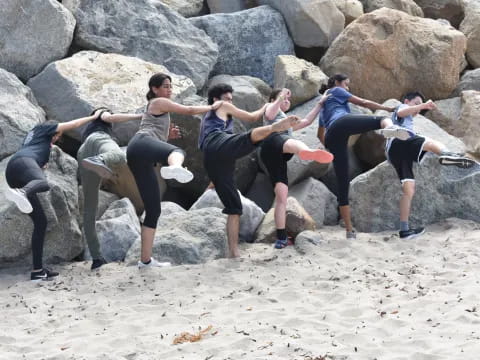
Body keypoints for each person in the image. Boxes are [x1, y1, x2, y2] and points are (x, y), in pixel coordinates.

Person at [127, 73, 223, 268]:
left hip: (139, 155)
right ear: (154, 89)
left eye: (171, 87)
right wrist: (212, 107)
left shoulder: (156, 108)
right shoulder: (158, 101)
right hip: (141, 144)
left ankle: (145, 261)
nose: (169, 90)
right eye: (165, 86)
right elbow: (188, 110)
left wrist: (166, 134)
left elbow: (152, 129)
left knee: (153, 210)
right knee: (177, 151)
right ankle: (176, 167)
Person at [199, 83, 300, 258]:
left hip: (216, 159)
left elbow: (207, 150)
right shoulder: (221, 107)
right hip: (217, 143)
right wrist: (267, 107)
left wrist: (213, 181)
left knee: (234, 207)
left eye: (231, 98)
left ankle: (234, 252)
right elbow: (252, 117)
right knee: (249, 137)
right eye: (227, 98)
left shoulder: (210, 119)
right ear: (216, 99)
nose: (230, 102)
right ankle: (273, 129)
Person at [5, 111, 102, 281]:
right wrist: (93, 118)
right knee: (43, 183)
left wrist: (41, 164)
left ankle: (37, 271)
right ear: (54, 131)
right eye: (58, 135)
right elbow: (72, 124)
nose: (57, 139)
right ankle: (22, 192)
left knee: (41, 222)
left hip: (15, 172)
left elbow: (34, 162)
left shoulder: (35, 138)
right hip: (22, 165)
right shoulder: (45, 127)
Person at [317, 73, 415, 239]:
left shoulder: (324, 107)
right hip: (342, 122)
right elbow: (363, 102)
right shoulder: (335, 91)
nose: (347, 88)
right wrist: (388, 109)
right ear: (336, 82)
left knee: (343, 184)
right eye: (346, 84)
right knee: (381, 119)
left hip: (334, 138)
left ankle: (349, 230)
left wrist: (332, 145)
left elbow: (321, 136)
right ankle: (390, 128)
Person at [386, 91, 475, 239]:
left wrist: (419, 106)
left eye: (420, 107)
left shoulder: (408, 119)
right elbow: (401, 112)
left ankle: (404, 230)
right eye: (416, 104)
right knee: (430, 142)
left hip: (397, 154)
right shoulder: (400, 108)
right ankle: (448, 155)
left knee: (409, 189)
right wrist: (424, 104)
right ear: (407, 101)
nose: (418, 109)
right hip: (399, 139)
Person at [259, 88, 333, 249]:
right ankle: (305, 151)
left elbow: (306, 121)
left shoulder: (287, 120)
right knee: (287, 139)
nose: (287, 100)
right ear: (274, 99)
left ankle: (281, 238)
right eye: (285, 98)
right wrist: (279, 98)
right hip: (274, 141)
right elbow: (270, 115)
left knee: (282, 198)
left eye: (288, 99)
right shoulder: (270, 108)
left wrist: (320, 104)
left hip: (276, 156)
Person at [77, 107, 143, 270]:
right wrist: (140, 115)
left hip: (83, 151)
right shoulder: (101, 114)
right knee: (119, 156)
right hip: (99, 141)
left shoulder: (87, 128)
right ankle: (100, 160)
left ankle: (96, 258)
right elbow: (110, 118)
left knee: (89, 210)